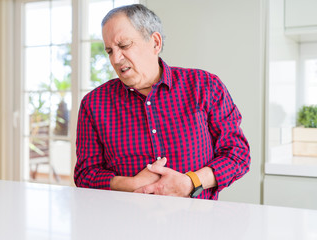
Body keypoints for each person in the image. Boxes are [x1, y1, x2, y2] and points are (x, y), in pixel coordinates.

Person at [74, 4, 250, 199]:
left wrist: (191, 182)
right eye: (109, 51)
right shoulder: (94, 104)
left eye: (124, 46)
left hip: (197, 224)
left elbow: (237, 155)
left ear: (155, 43)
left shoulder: (205, 86)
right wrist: (131, 184)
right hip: (124, 224)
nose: (116, 58)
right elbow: (84, 175)